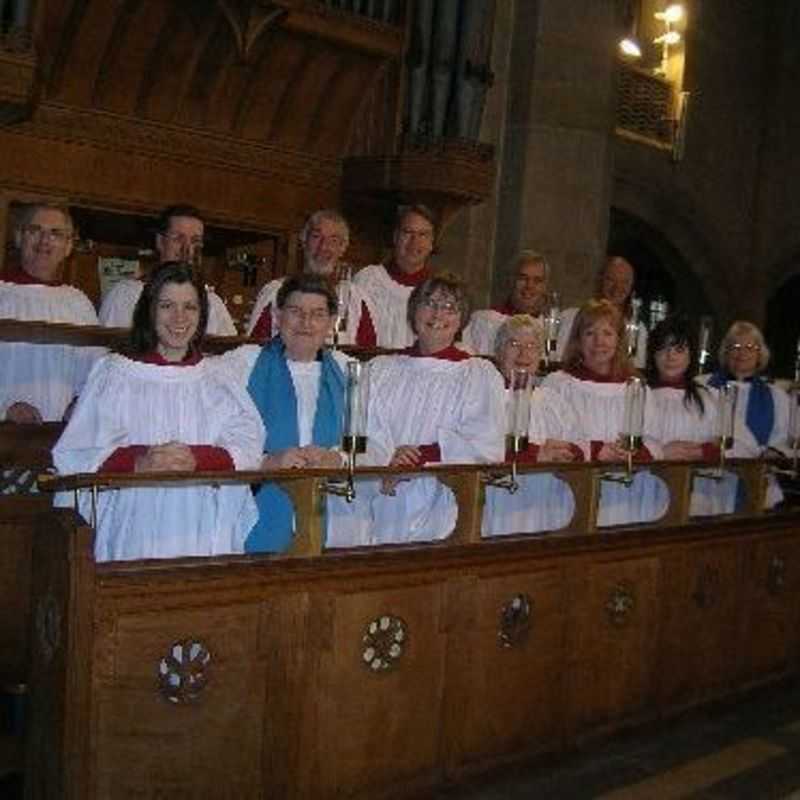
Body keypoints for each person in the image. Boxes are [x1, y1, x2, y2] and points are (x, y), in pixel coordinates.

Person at [52, 262, 264, 562]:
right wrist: (140, 461)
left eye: (190, 307)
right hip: (134, 523)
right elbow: (78, 452)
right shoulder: (115, 373)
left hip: (202, 525)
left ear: (202, 314)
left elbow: (249, 444)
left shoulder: (219, 377)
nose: (180, 317)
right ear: (149, 311)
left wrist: (196, 459)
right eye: (167, 305)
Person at [343, 273, 505, 545]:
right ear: (413, 311)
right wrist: (386, 462)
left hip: (443, 501)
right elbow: (362, 428)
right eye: (429, 303)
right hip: (382, 494)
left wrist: (420, 457)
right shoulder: (381, 368)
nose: (438, 313)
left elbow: (485, 442)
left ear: (461, 319)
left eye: (450, 307)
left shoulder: (478, 374)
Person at [221, 274, 352, 552]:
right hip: (250, 515)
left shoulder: (347, 372)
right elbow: (218, 438)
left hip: (328, 518)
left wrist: (336, 458)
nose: (306, 323)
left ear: (330, 323)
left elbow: (370, 444)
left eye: (317, 314)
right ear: (277, 316)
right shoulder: (243, 364)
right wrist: (266, 462)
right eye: (295, 312)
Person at [542, 299, 662, 527]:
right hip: (574, 493)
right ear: (578, 340)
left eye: (608, 333)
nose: (599, 341)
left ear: (619, 340)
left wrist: (632, 453)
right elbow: (549, 441)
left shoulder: (637, 389)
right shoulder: (558, 384)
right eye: (590, 333)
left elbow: (656, 443)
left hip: (628, 495)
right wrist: (597, 451)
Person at [481, 315, 582, 536]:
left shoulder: (553, 401)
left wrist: (568, 452)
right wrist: (536, 454)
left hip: (546, 509)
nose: (523, 354)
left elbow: (579, 446)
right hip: (497, 510)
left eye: (532, 346)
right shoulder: (485, 397)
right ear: (498, 352)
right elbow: (477, 450)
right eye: (514, 344)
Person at [0, 202, 101, 423]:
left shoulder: (79, 303)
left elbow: (96, 371)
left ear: (68, 246)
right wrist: (5, 409)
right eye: (35, 230)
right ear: (19, 237)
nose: (44, 241)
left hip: (62, 438)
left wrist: (80, 403)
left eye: (55, 233)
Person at [246, 209, 378, 347]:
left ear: (343, 248)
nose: (323, 247)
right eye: (316, 237)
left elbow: (367, 357)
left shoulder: (357, 300)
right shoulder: (275, 292)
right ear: (303, 241)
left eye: (333, 240)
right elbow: (254, 351)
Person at [98, 204, 237, 335]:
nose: (187, 250)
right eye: (178, 239)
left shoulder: (212, 303)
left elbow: (233, 355)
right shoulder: (127, 295)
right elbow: (109, 352)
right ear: (160, 242)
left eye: (195, 241)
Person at [642, 314, 722, 517]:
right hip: (646, 491)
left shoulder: (709, 397)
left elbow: (741, 444)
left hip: (698, 494)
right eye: (663, 349)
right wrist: (660, 452)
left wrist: (703, 451)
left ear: (691, 355)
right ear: (652, 354)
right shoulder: (638, 394)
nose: (670, 356)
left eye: (679, 349)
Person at [705, 320, 790, 510]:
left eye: (750, 347)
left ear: (760, 353)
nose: (742, 353)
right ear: (725, 352)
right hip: (711, 481)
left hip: (759, 479)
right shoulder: (705, 389)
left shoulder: (776, 397)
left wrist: (774, 451)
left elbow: (788, 438)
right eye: (735, 346)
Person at [352, 203, 437, 349]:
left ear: (431, 243)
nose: (414, 242)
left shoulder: (439, 290)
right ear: (396, 237)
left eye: (423, 234)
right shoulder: (368, 280)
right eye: (408, 232)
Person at [557, 256, 647, 368]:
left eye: (625, 282)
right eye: (611, 279)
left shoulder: (638, 328)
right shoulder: (571, 317)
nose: (617, 287)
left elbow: (637, 367)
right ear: (599, 280)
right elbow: (559, 358)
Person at [462, 251, 550, 356]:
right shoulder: (484, 322)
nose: (529, 285)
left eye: (537, 280)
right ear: (511, 281)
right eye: (522, 278)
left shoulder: (549, 331)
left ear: (545, 287)